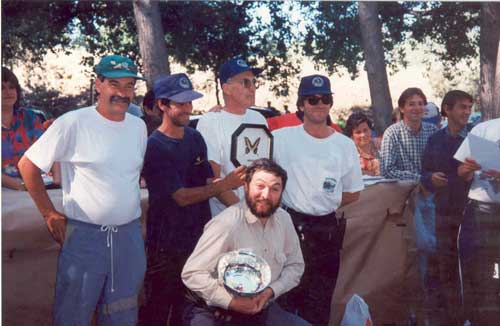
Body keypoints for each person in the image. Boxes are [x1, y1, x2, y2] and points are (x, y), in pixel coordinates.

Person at [18, 54, 147, 325]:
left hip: (128, 237)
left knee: (123, 313)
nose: (123, 93)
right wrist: (49, 214)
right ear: (98, 84)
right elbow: (27, 165)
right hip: (85, 238)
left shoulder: (138, 127)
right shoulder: (73, 123)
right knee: (73, 314)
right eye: (115, 84)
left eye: (129, 86)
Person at [139, 73, 246, 325]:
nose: (189, 108)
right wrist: (228, 183)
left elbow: (209, 183)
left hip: (199, 240)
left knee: (190, 309)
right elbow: (181, 197)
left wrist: (244, 211)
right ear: (163, 105)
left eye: (190, 102)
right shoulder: (154, 146)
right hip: (166, 245)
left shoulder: (194, 137)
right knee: (159, 309)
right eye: (181, 103)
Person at [272, 74, 364, 325]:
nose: (320, 104)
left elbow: (354, 192)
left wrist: (323, 201)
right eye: (313, 99)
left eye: (325, 99)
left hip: (327, 230)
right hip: (290, 227)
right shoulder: (281, 139)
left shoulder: (344, 144)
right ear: (301, 105)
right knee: (287, 298)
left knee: (321, 300)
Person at [181, 158, 307, 326]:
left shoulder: (284, 220)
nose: (266, 195)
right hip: (216, 314)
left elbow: (295, 265)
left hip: (262, 307)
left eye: (274, 189)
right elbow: (192, 273)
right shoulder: (227, 223)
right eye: (260, 186)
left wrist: (270, 291)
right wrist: (231, 302)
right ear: (246, 187)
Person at [420, 90, 473, 324]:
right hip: (442, 215)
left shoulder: (472, 140)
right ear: (447, 109)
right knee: (445, 269)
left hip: (469, 215)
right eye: (462, 107)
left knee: (468, 268)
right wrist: (431, 178)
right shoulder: (435, 141)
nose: (467, 112)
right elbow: (424, 174)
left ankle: (468, 315)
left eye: (470, 107)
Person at [196, 56, 268, 216]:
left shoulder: (259, 119)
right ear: (226, 88)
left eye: (254, 82)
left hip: (260, 211)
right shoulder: (211, 122)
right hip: (228, 216)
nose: (253, 88)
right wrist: (245, 213)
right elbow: (212, 180)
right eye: (245, 82)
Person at [454, 117, 500, 325]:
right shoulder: (484, 129)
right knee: (480, 278)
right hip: (482, 212)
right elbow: (461, 172)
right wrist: (467, 170)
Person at [380, 87, 438, 181]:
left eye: (420, 104)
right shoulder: (392, 134)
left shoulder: (432, 130)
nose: (417, 108)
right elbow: (387, 171)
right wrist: (421, 179)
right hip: (403, 191)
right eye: (411, 104)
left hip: (432, 189)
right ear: (402, 109)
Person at [2, 67, 45, 190]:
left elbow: (48, 151)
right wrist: (20, 185)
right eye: (1, 88)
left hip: (37, 184)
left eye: (12, 87)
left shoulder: (30, 118)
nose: (8, 92)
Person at [345, 111, 381, 176]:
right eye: (358, 132)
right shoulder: (348, 153)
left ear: (370, 130)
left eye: (365, 130)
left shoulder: (380, 146)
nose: (363, 135)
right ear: (351, 136)